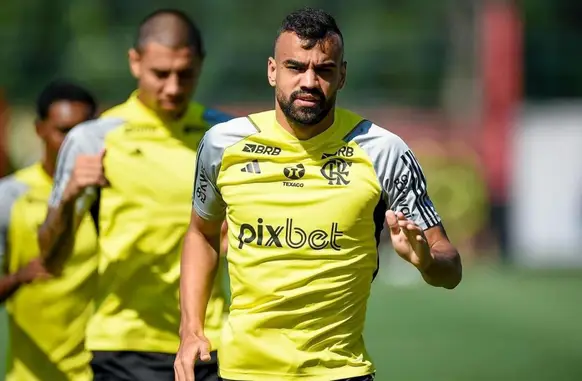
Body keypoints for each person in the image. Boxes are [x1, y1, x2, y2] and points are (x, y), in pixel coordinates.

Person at [175, 7, 463, 381]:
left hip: (341, 373)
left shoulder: (383, 150)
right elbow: (201, 232)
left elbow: (450, 268)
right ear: (272, 70)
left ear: (341, 75)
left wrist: (425, 260)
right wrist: (191, 328)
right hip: (242, 372)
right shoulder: (222, 144)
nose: (309, 81)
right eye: (295, 67)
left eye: (324, 70)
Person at [39, 9, 231, 381]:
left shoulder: (223, 134)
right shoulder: (93, 138)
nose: (173, 87)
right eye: (161, 74)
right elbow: (50, 257)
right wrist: (67, 199)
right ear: (135, 61)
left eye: (185, 74)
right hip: (124, 344)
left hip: (209, 341)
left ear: (200, 65)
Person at [0, 80, 98, 381]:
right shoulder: (10, 196)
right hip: (31, 375)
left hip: (103, 371)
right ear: (39, 129)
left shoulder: (112, 196)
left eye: (83, 132)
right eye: (64, 131)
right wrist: (18, 277)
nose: (74, 143)